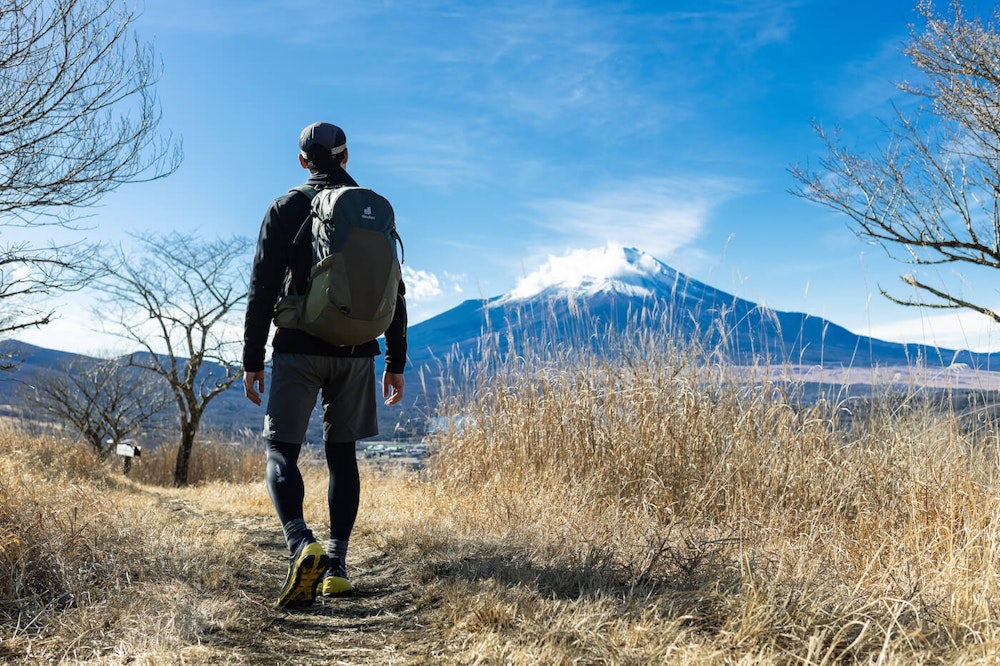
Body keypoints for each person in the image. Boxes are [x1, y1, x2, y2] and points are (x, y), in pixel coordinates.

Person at [242, 121, 407, 608]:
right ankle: (336, 565)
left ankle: (300, 543)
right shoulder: (373, 211)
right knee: (343, 455)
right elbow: (394, 290)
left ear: (302, 161)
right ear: (346, 156)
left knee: (281, 453)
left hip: (298, 347)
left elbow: (262, 288)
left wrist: (253, 358)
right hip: (358, 351)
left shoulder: (286, 207)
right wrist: (395, 360)